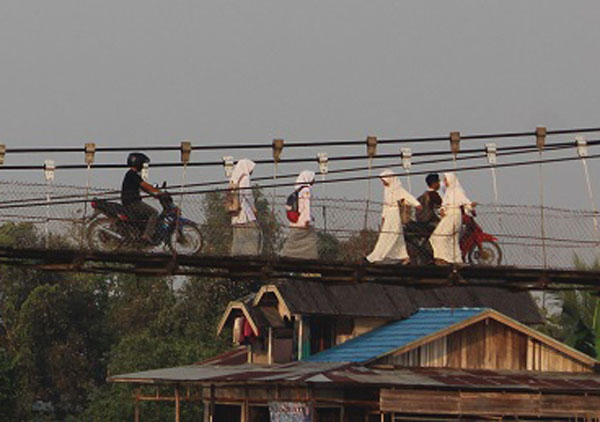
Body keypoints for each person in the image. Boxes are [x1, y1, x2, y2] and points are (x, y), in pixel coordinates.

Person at [367, 169, 422, 265]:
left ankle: (377, 256)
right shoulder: (387, 190)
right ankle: (404, 256)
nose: (383, 182)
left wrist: (416, 204)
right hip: (388, 214)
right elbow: (385, 204)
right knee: (396, 236)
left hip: (394, 214)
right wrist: (383, 216)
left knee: (389, 235)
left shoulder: (397, 189)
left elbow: (407, 196)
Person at [429, 172, 477, 265]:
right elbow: (444, 205)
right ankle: (455, 259)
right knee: (450, 239)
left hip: (454, 216)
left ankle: (442, 258)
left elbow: (466, 203)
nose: (444, 182)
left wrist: (471, 206)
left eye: (446, 179)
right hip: (448, 216)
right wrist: (442, 210)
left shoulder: (457, 191)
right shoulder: (448, 192)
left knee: (439, 236)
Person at [121, 152, 162, 243]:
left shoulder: (132, 175)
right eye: (143, 164)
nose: (144, 166)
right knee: (153, 213)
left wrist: (154, 194)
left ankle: (140, 232)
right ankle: (146, 236)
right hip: (133, 203)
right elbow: (145, 185)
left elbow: (143, 188)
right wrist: (158, 191)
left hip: (130, 202)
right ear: (138, 163)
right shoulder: (132, 174)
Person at [280, 170, 318, 260]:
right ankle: (309, 257)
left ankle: (286, 254)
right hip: (303, 220)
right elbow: (306, 206)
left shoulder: (299, 190)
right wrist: (308, 219)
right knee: (310, 239)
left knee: (293, 239)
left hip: (296, 220)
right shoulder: (306, 190)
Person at [230, 159, 261, 256]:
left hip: (236, 215)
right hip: (245, 213)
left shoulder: (233, 178)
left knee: (238, 240)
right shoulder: (245, 177)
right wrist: (253, 208)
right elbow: (248, 195)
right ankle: (252, 257)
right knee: (253, 236)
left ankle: (235, 258)